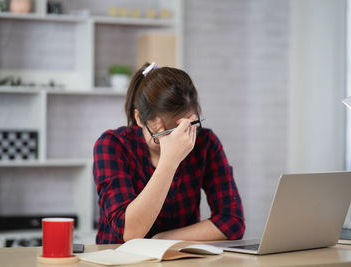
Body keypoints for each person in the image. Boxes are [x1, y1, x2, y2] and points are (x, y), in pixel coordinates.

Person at [93, 62, 245, 244]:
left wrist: (162, 239)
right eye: (164, 133)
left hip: (179, 259)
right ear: (139, 119)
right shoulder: (112, 145)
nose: (175, 140)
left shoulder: (205, 142)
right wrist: (170, 161)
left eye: (185, 128)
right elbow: (128, 232)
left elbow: (233, 221)